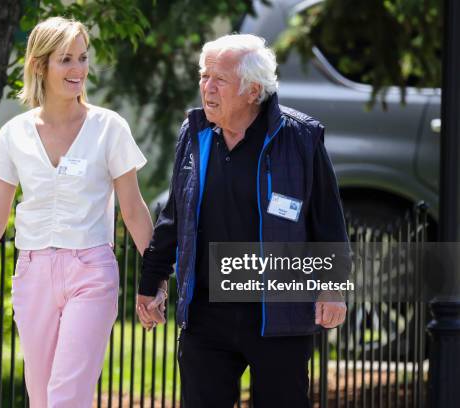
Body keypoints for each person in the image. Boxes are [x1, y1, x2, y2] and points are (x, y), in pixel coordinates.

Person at [0, 17, 157, 408]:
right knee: (41, 398)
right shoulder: (15, 133)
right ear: (40, 65)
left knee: (65, 397)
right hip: (32, 273)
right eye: (65, 60)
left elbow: (134, 210)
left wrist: (157, 277)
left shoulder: (109, 127)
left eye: (82, 58)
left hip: (91, 271)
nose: (78, 69)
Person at [136, 34, 351, 407]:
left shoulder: (300, 138)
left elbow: (328, 220)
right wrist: (151, 279)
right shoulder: (195, 132)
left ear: (253, 90)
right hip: (206, 313)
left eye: (219, 79)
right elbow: (175, 215)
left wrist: (332, 286)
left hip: (278, 315)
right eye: (204, 76)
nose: (207, 87)